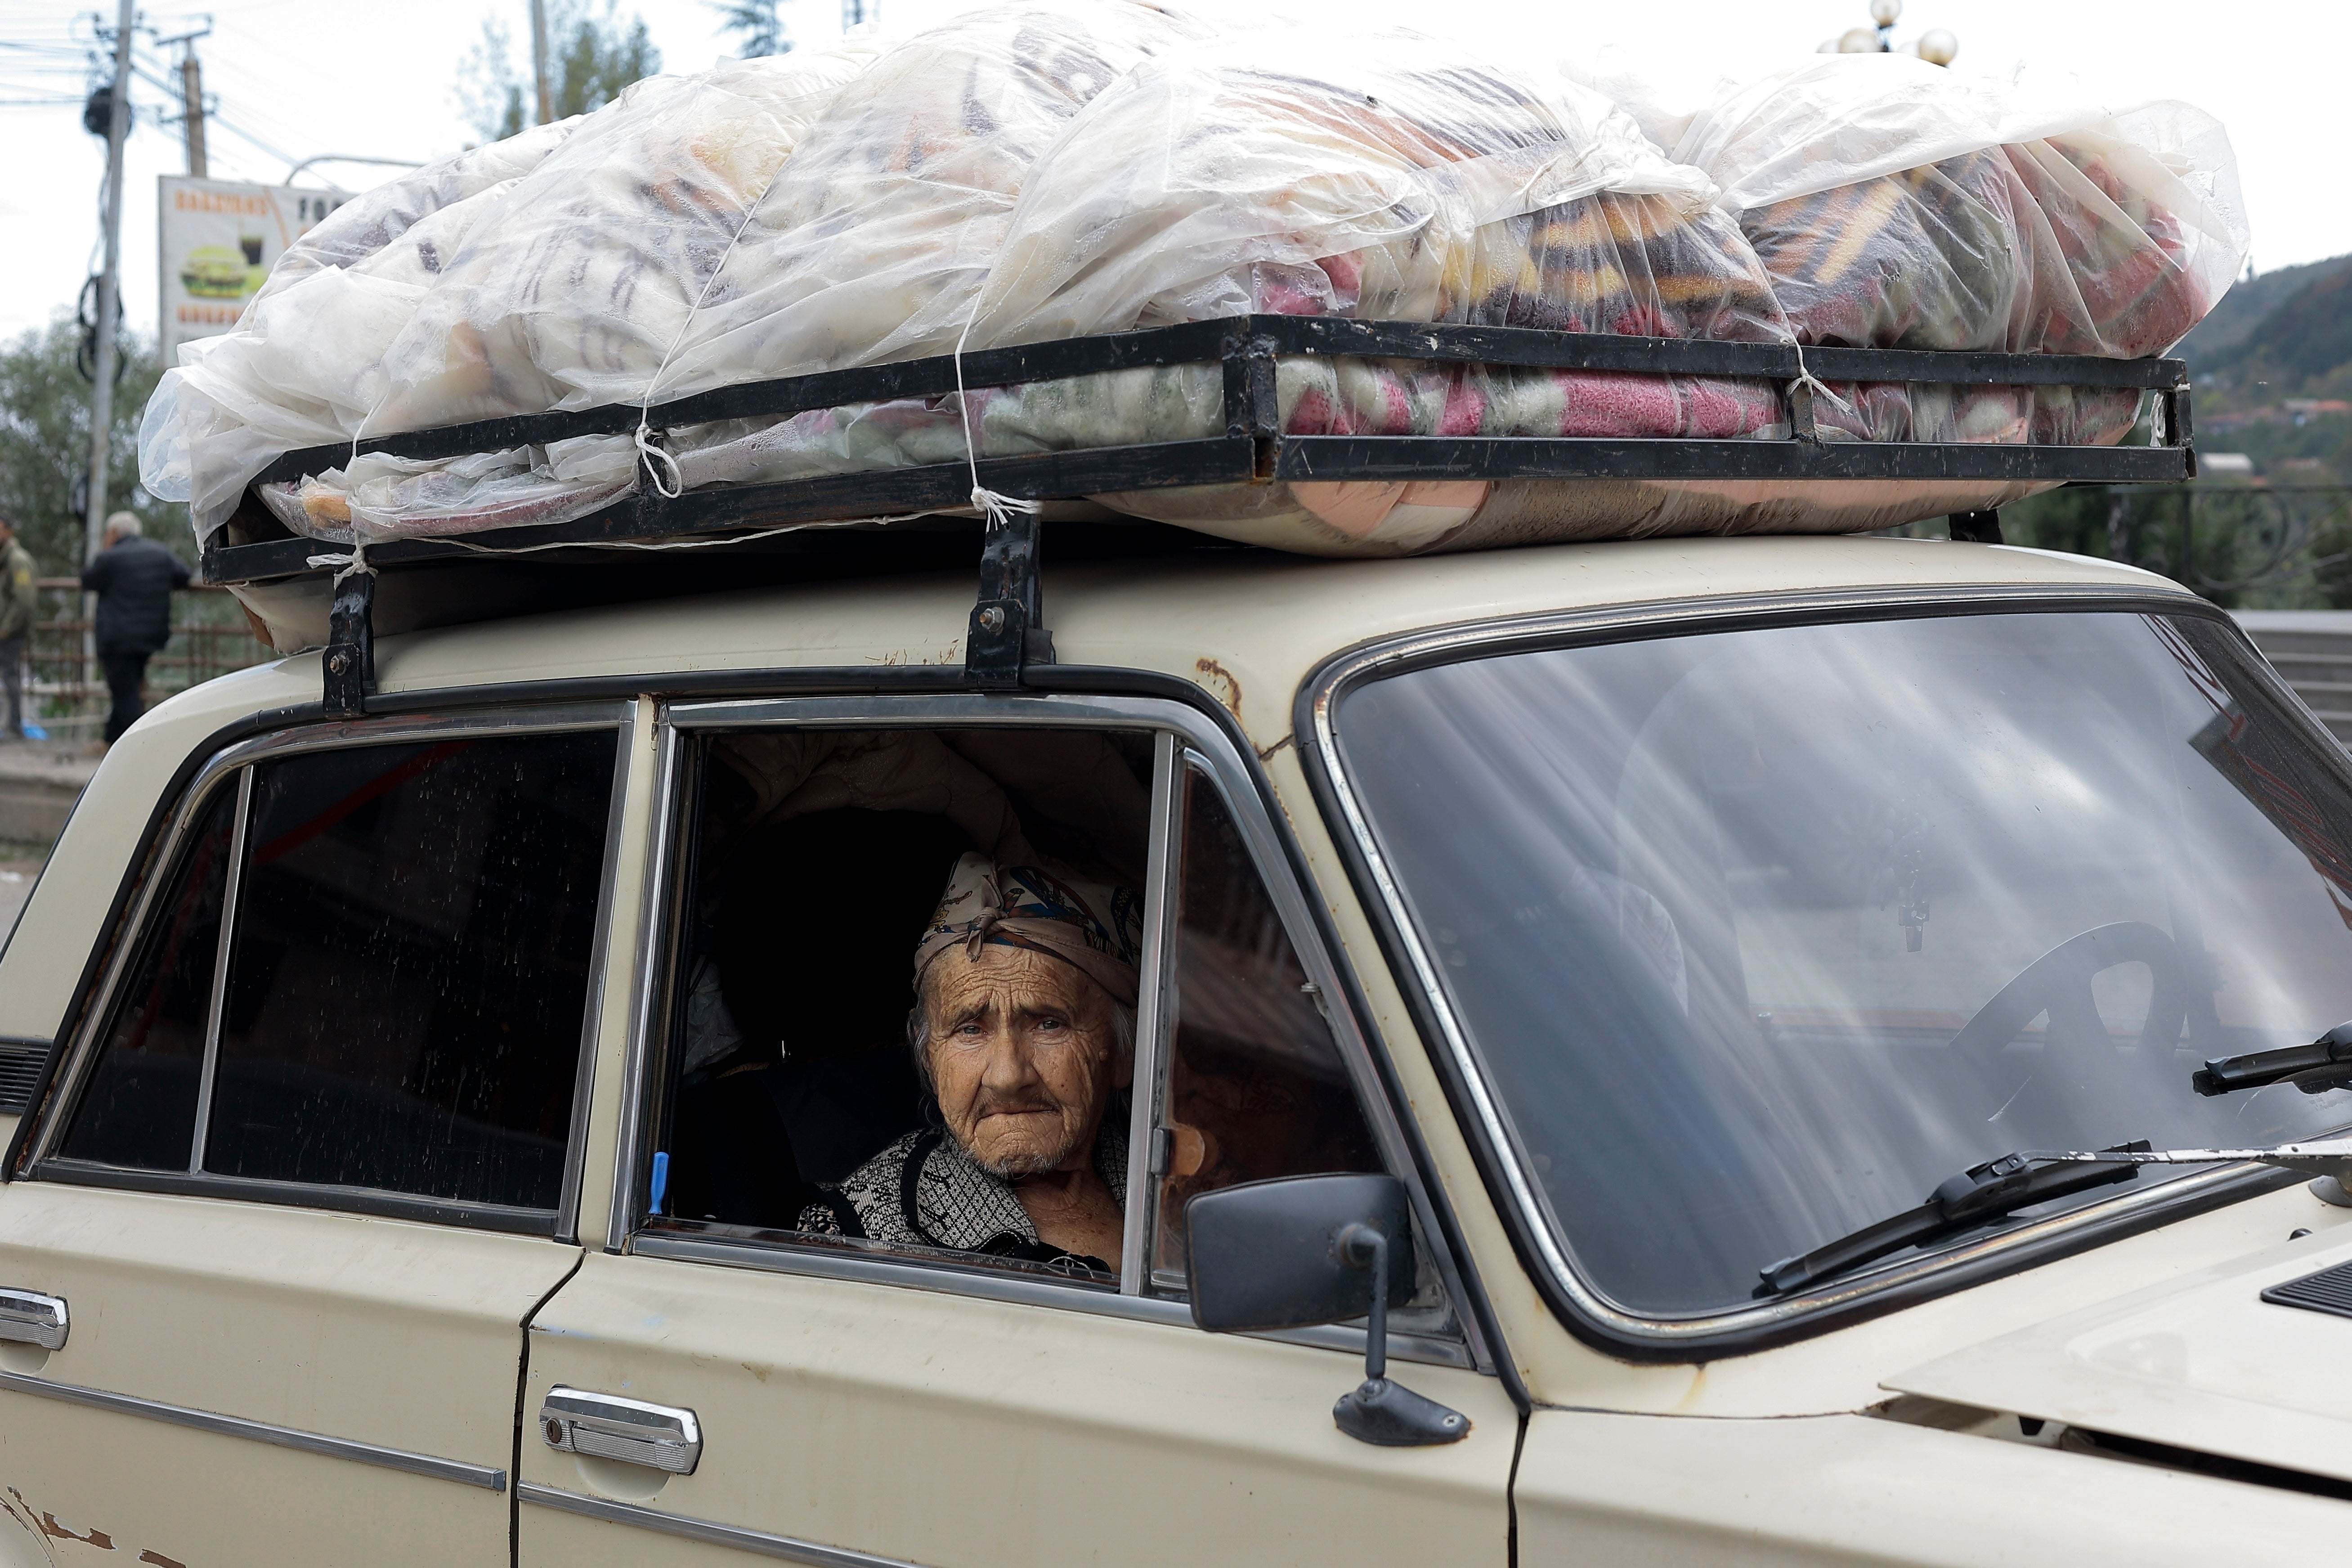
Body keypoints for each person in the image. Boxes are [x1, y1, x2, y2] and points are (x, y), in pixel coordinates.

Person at [798, 854, 1142, 1274]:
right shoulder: (855, 1239)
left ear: (1123, 1053)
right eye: (970, 1030)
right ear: (929, 1058)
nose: (1008, 1077)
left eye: (1049, 1025)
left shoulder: (1185, 1181)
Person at [80, 511, 189, 745]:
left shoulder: (110, 559)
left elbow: (87, 580)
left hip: (117, 639)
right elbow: (184, 576)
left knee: (125, 694)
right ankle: (110, 742)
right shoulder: (160, 553)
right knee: (126, 688)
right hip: (150, 636)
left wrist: (105, 550)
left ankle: (143, 745)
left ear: (114, 533)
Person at [0, 513, 34, 740]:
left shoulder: (18, 560)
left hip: (9, 632)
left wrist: (6, 629)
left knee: (10, 677)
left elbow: (24, 600)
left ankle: (15, 726)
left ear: (9, 531)